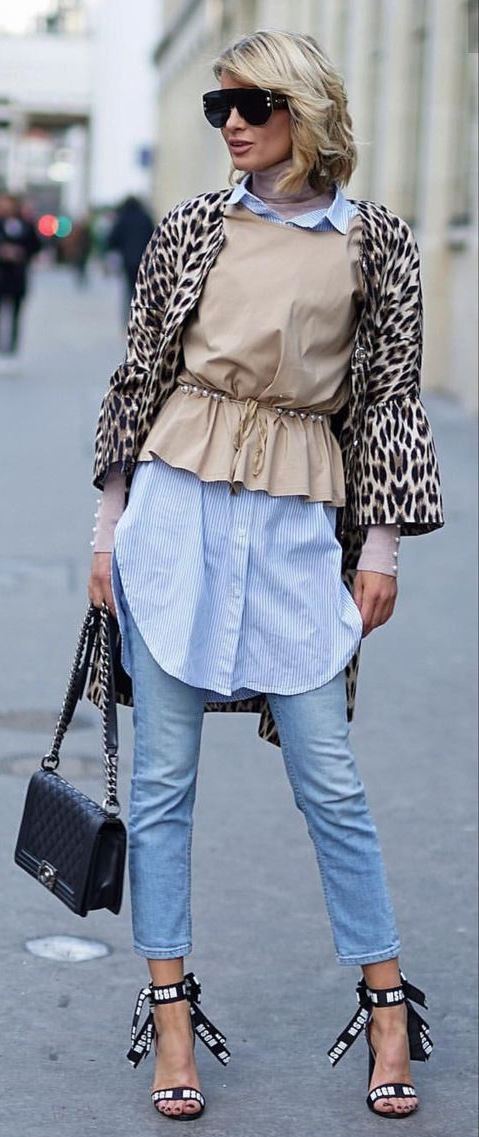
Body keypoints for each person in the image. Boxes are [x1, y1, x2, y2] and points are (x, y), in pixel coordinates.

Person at [88, 29, 443, 1121]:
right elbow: (140, 373)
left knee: (327, 778)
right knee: (160, 789)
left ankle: (386, 1003)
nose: (232, 122)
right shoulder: (195, 228)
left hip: (294, 531)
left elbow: (387, 397)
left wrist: (377, 546)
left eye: (252, 103)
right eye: (217, 108)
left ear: (306, 109)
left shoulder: (372, 241)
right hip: (174, 516)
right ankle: (170, 1016)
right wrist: (105, 532)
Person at [0, 194, 41, 366]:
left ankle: (13, 345)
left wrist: (21, 252)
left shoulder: (25, 225)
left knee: (16, 312)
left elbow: (35, 245)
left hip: (17, 276)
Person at [106, 195, 154, 321]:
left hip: (128, 261)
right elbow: (155, 237)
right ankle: (142, 319)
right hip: (144, 260)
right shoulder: (145, 218)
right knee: (143, 291)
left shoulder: (122, 218)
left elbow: (112, 239)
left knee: (129, 291)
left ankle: (128, 319)